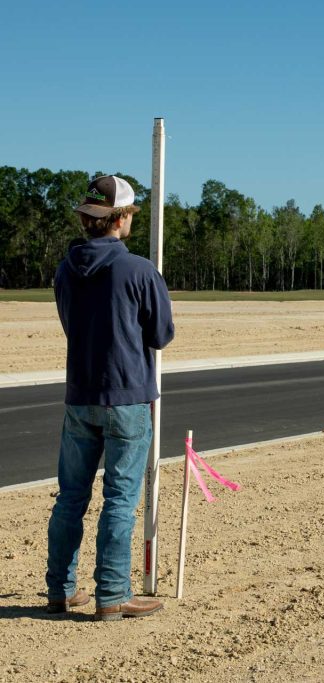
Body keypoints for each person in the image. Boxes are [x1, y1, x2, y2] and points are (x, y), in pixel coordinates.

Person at [46, 175, 175, 621]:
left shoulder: (64, 269)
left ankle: (60, 591)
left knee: (70, 497)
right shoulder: (139, 270)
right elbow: (161, 335)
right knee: (120, 498)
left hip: (79, 395)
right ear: (119, 219)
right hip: (127, 396)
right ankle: (113, 595)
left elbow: (71, 325)